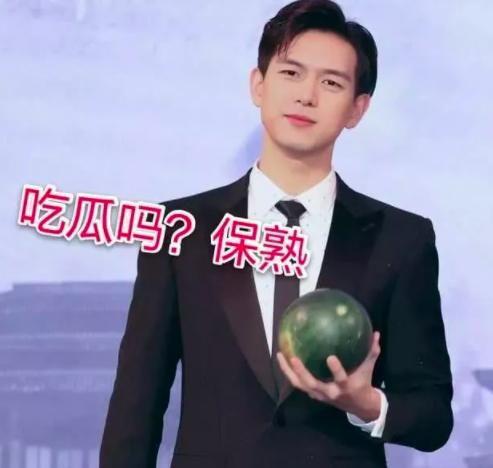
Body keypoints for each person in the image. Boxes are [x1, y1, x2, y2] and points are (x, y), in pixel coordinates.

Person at [99, 1, 453, 467]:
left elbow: (433, 415)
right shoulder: (180, 228)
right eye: (291, 73)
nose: (307, 96)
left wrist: (366, 404)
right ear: (258, 85)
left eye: (331, 83)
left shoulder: (401, 239)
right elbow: (136, 405)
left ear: (357, 109)